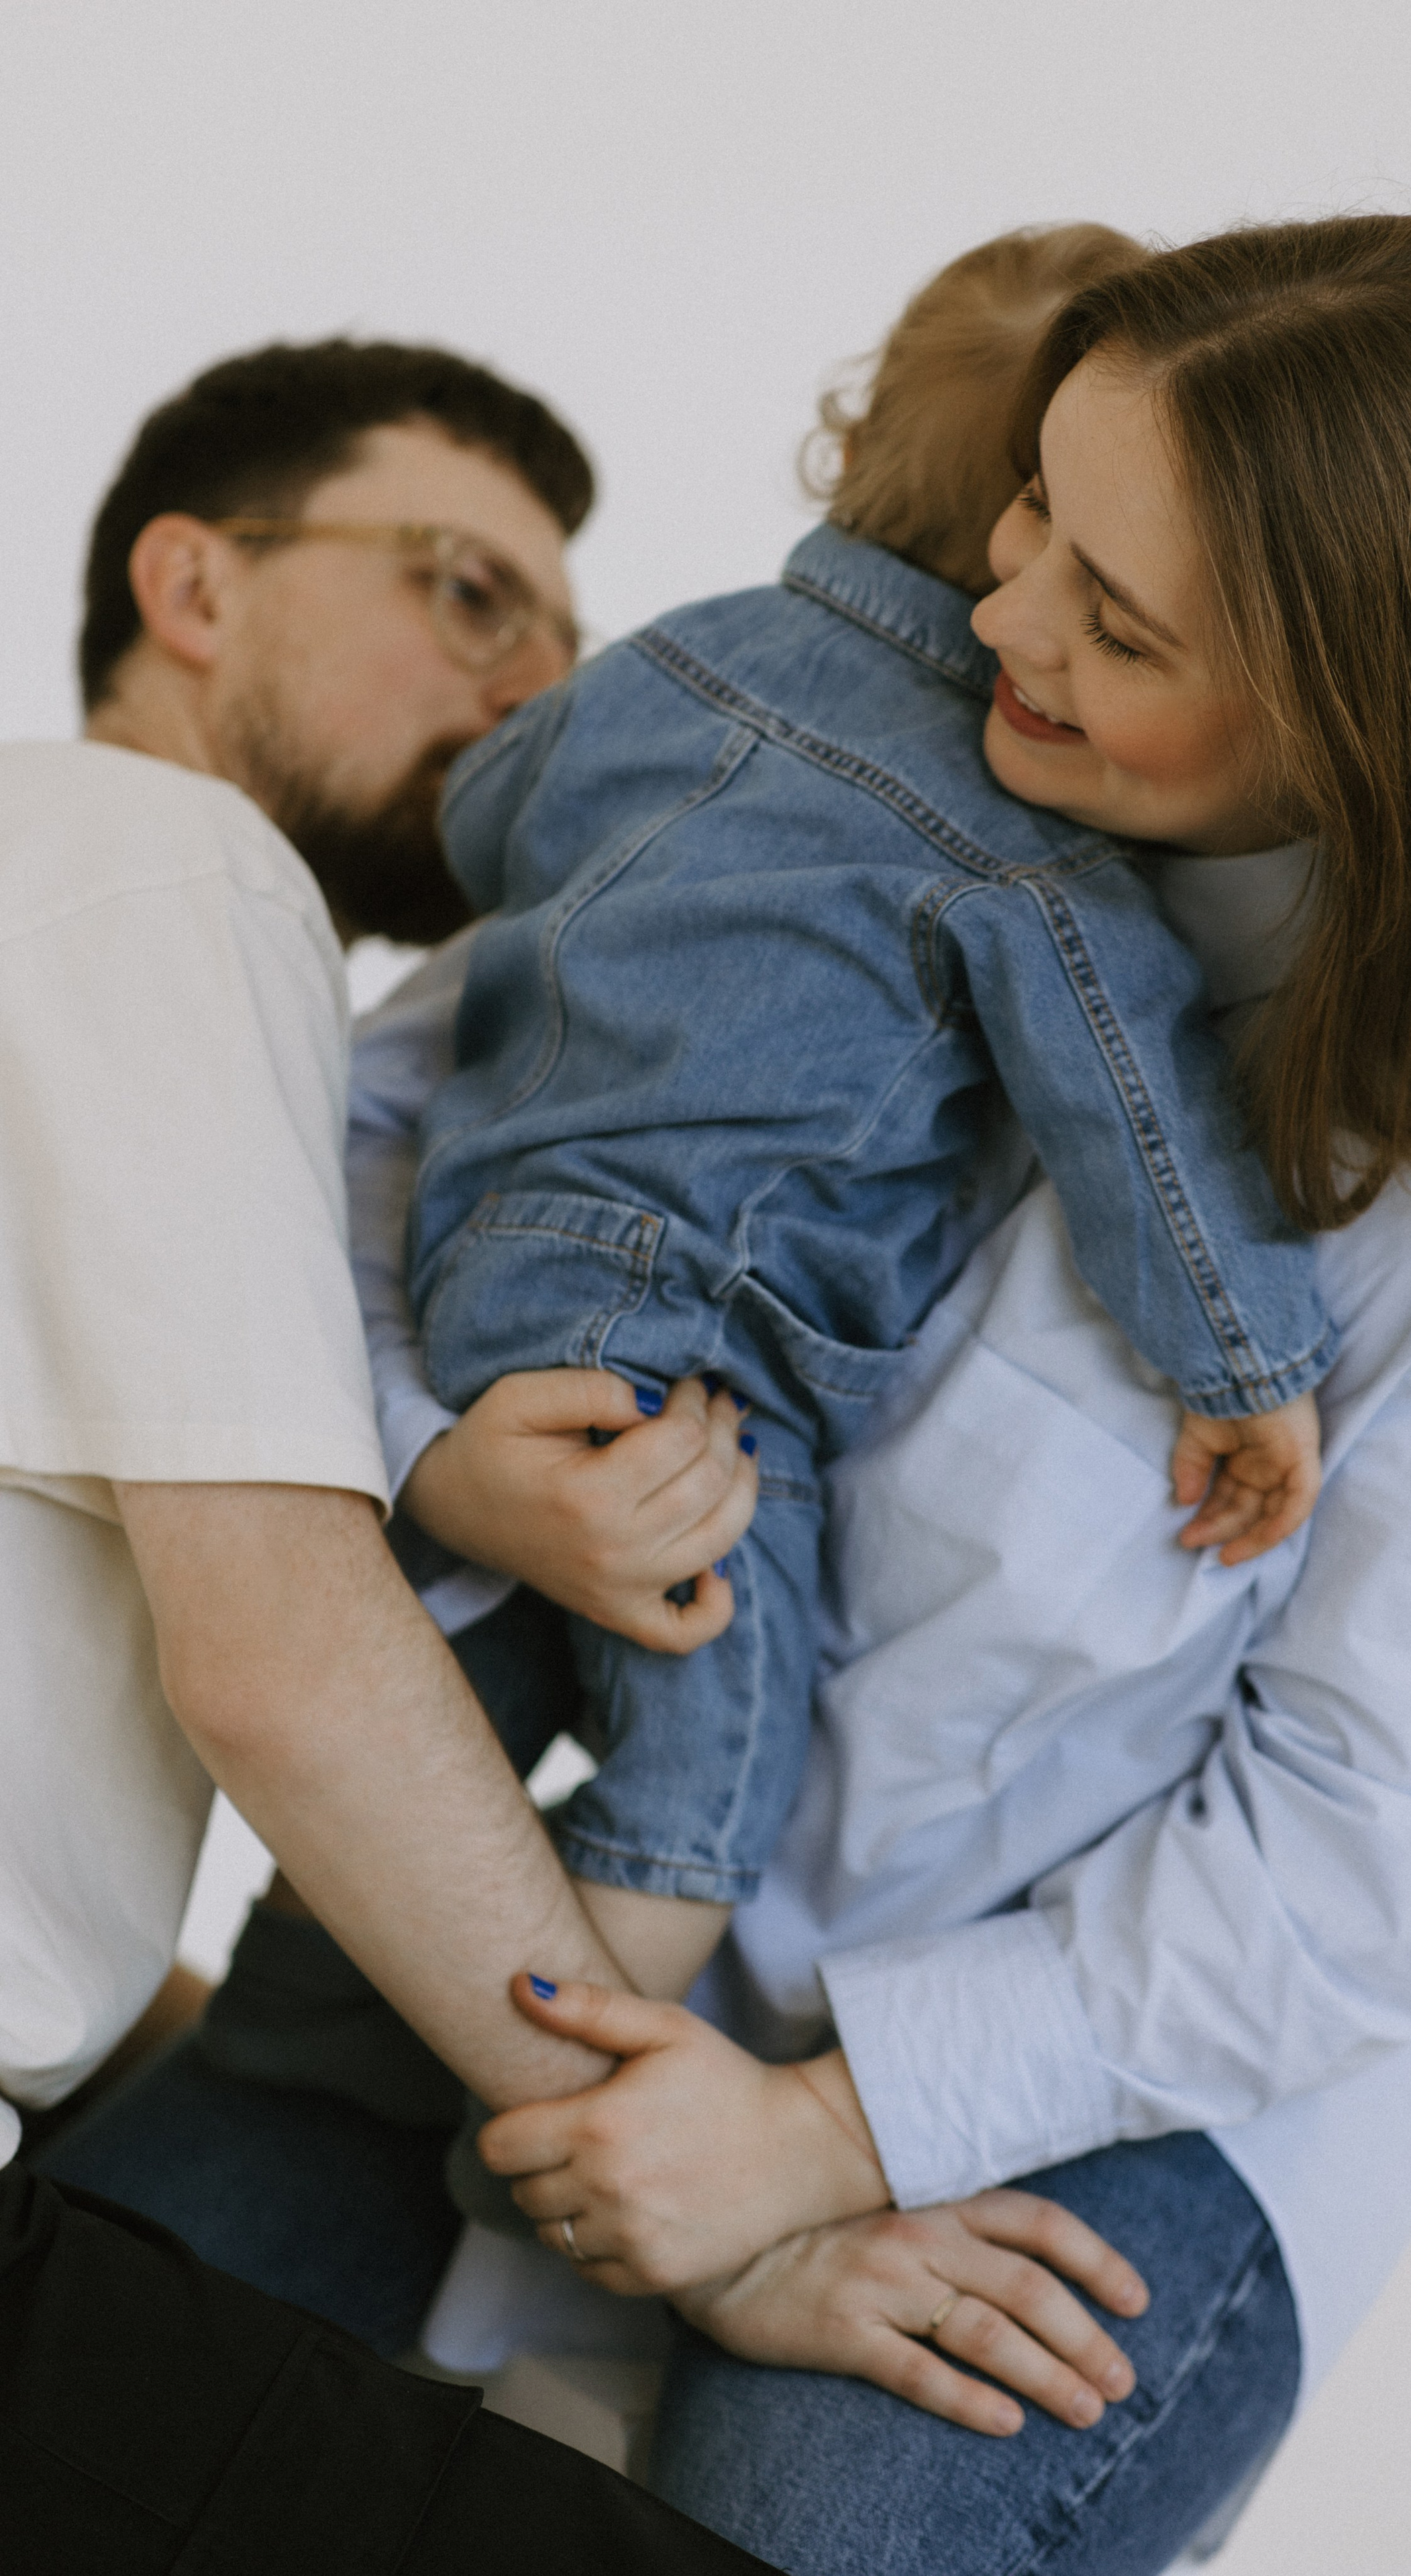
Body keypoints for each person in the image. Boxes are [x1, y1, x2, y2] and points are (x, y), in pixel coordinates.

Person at [48, 211, 1411, 2573]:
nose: (1001, 617)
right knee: (85, 2337)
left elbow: (1362, 1876)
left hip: (1081, 2082)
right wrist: (448, 1445)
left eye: (1116, 624)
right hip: (589, 1951)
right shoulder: (815, 789)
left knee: (786, 2528)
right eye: (1038, 511)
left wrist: (821, 2143)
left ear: (1361, 712)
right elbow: (377, 1125)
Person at [1, 335, 767, 2574]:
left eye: (564, 627)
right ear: (193, 586)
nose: (543, 687)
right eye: (465, 588)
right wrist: (734, 2227)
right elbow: (289, 1663)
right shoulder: (159, 861)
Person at [399, 225, 1338, 2002]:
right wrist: (1247, 1367)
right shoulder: (1029, 850)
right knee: (706, 1766)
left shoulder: (673, 659)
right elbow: (1142, 1131)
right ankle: (569, 2096)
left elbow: (483, 819)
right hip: (700, 1360)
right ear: (1028, 494)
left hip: (476, 1259)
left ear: (849, 440)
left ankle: (358, 2016)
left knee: (456, 1693)